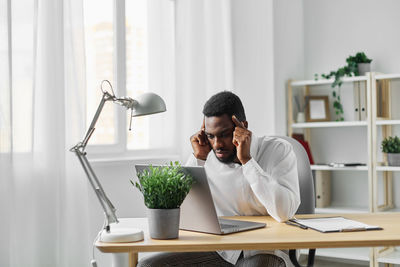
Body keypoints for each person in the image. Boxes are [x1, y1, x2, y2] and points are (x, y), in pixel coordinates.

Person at [138, 91, 300, 267]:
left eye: (224, 134)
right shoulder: (207, 155)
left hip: (265, 250)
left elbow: (284, 212)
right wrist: (198, 159)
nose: (217, 144)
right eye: (210, 135)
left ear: (243, 127)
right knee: (149, 265)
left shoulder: (278, 151)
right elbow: (182, 209)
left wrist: (247, 161)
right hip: (221, 251)